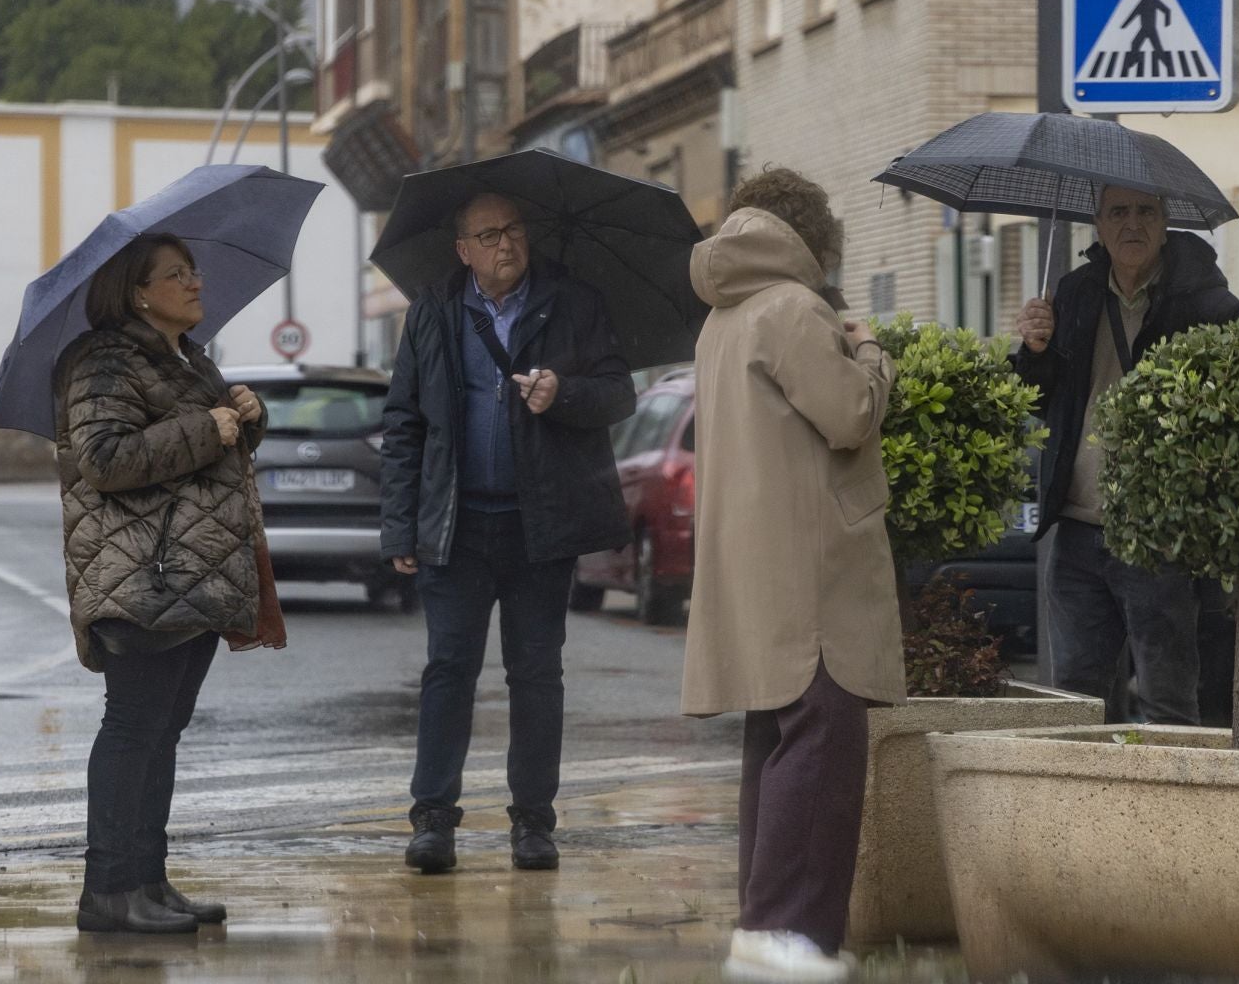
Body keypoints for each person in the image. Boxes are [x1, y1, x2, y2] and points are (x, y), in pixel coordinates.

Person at [683, 168, 905, 984]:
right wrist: (872, 354)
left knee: (776, 742)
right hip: (813, 571)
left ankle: (764, 928)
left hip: (756, 566)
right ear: (811, 236)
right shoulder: (794, 309)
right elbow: (848, 415)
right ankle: (791, 938)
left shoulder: (723, 318)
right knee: (824, 743)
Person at [379, 191, 635, 875]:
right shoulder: (433, 310)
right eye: (489, 234)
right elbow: (405, 423)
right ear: (462, 249)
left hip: (538, 524)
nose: (506, 244)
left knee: (536, 675)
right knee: (448, 673)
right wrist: (401, 524)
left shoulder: (573, 303)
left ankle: (533, 824)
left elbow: (619, 392)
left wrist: (565, 392)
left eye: (515, 229)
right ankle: (433, 821)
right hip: (457, 527)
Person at [53, 232, 287, 935]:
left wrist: (248, 417)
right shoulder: (103, 360)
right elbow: (104, 457)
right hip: (139, 572)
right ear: (137, 292)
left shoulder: (190, 358)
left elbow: (211, 454)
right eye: (175, 274)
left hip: (193, 573)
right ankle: (108, 891)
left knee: (162, 730)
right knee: (132, 727)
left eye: (194, 271)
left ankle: (147, 882)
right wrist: (207, 426)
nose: (195, 283)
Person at [1013, 185, 1239, 724]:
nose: (1132, 224)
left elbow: (1227, 411)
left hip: (1157, 535)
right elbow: (1045, 401)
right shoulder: (1074, 291)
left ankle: (1170, 810)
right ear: (1098, 222)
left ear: (1166, 221)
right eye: (1118, 212)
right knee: (1074, 700)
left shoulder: (1207, 304)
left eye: (1146, 211)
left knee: (1167, 700)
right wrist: (1035, 351)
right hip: (1076, 528)